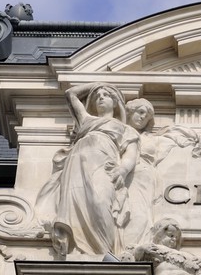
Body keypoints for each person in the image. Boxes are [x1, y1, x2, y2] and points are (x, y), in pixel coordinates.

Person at [36, 84, 138, 258]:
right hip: (77, 163)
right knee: (75, 202)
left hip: (104, 164)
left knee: (100, 201)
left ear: (115, 102)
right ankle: (79, 250)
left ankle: (105, 251)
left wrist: (123, 170)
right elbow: (70, 94)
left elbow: (131, 154)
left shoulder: (126, 129)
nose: (101, 97)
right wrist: (98, 83)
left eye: (106, 95)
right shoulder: (87, 120)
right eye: (97, 95)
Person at [119, 99, 201, 250]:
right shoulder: (116, 133)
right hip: (128, 179)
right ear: (129, 111)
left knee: (143, 219)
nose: (143, 118)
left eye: (147, 116)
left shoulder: (151, 139)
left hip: (146, 180)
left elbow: (175, 136)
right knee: (132, 218)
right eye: (140, 112)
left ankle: (131, 250)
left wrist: (198, 136)